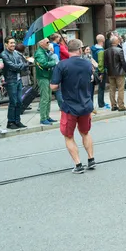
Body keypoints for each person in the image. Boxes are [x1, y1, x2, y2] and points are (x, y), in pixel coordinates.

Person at [50, 39, 96, 174]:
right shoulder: (88, 64)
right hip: (86, 104)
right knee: (85, 132)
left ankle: (78, 165)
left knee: (68, 136)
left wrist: (58, 84)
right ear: (80, 49)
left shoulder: (61, 65)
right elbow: (91, 79)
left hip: (70, 107)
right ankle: (91, 159)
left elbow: (53, 86)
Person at [1, 37, 29, 130]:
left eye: (14, 43)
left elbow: (24, 64)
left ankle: (17, 121)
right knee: (13, 102)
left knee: (19, 101)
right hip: (10, 81)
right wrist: (21, 65)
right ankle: (10, 122)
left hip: (18, 80)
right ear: (6, 44)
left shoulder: (16, 53)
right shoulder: (4, 55)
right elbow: (13, 66)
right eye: (11, 43)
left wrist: (21, 65)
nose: (13, 44)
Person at [35, 37, 58, 125]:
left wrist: (50, 53)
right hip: (43, 77)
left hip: (47, 76)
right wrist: (54, 62)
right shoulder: (39, 53)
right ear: (41, 43)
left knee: (48, 97)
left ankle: (47, 116)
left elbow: (47, 60)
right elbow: (44, 64)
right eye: (47, 42)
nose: (49, 44)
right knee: (45, 98)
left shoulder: (44, 52)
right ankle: (43, 118)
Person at [104, 36, 126, 111]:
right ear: (116, 42)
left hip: (110, 73)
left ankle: (113, 105)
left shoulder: (106, 51)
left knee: (112, 89)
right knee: (121, 89)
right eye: (118, 40)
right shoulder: (119, 50)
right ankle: (121, 105)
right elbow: (123, 62)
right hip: (119, 73)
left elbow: (105, 63)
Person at [90, 34, 109, 110]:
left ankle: (92, 105)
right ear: (103, 40)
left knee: (92, 88)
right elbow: (101, 63)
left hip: (93, 70)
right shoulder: (101, 51)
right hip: (100, 71)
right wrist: (101, 72)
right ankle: (101, 103)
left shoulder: (93, 49)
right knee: (101, 87)